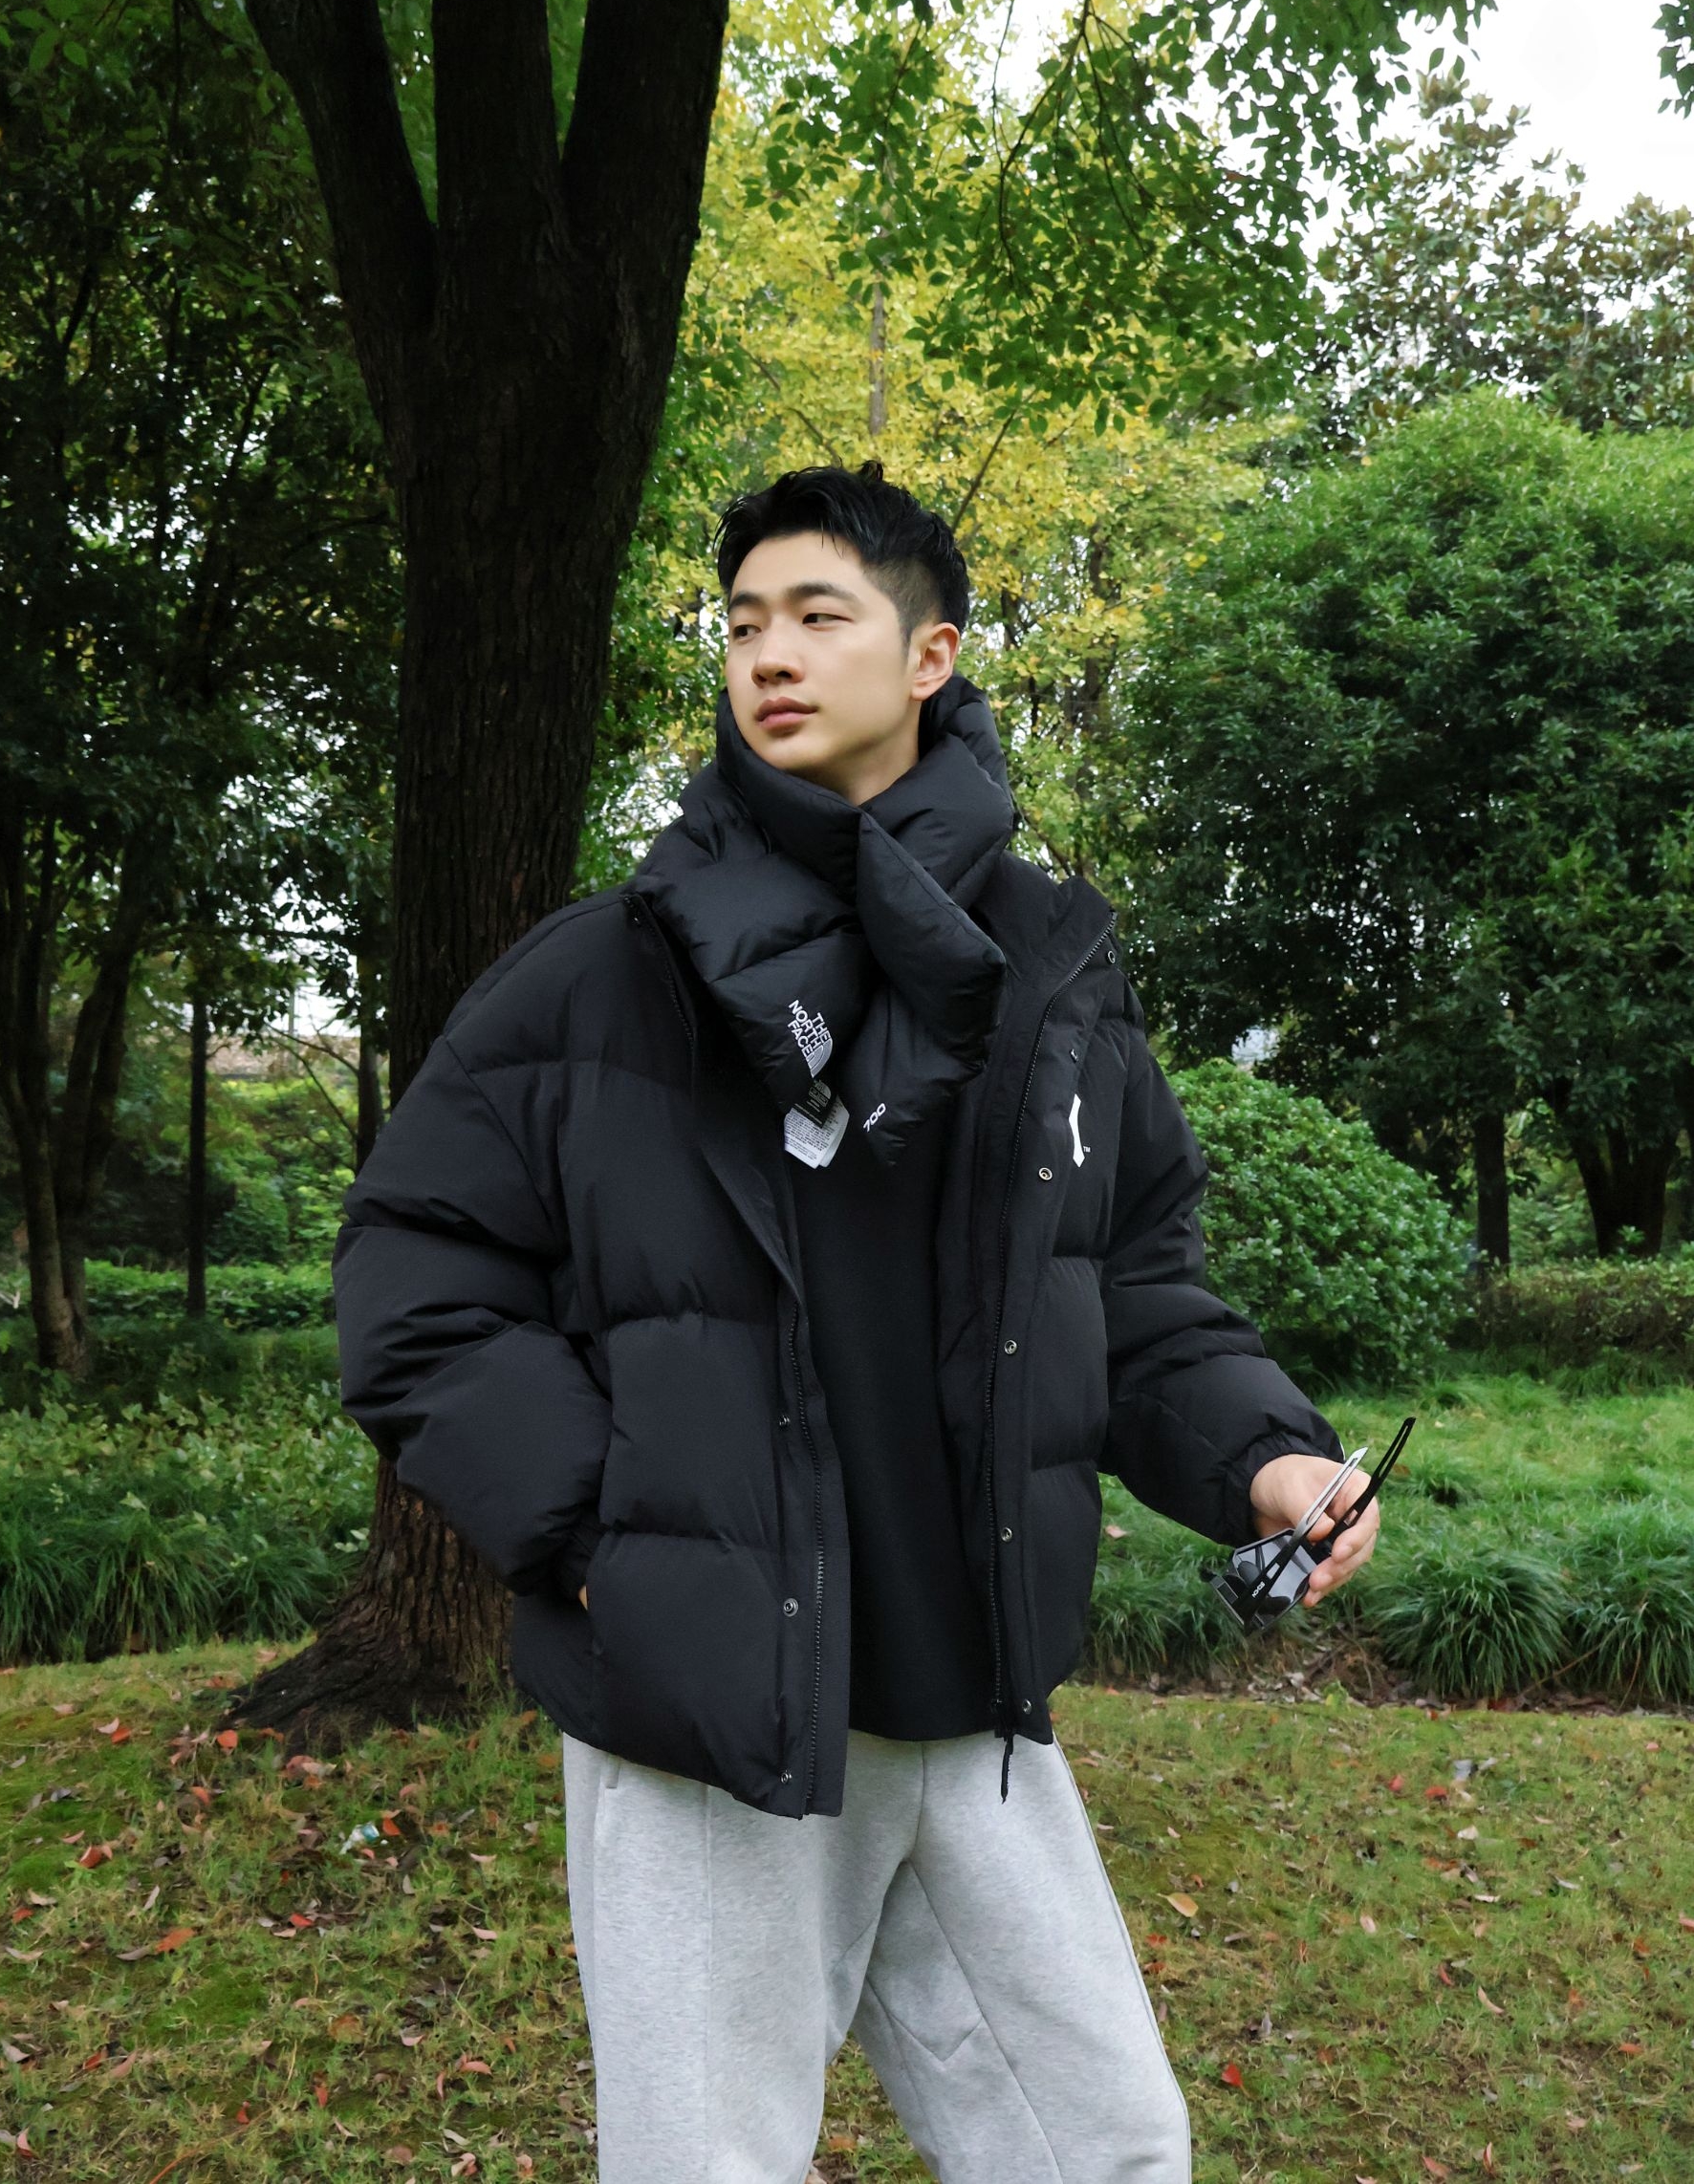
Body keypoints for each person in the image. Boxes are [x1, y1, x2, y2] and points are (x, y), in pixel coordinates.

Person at [333, 462, 1383, 2183]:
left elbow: (1135, 1282)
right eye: (744, 621)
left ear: (931, 656)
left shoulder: (1052, 978)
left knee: (1105, 2149)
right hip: (713, 1705)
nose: (770, 653)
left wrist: (1268, 1458)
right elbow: (414, 1274)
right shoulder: (601, 978)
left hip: (970, 1698)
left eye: (819, 615)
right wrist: (603, 1540)